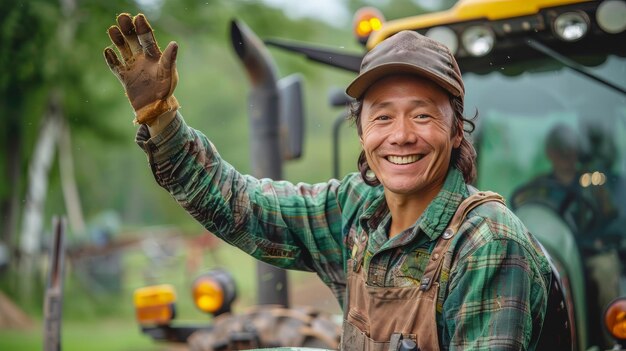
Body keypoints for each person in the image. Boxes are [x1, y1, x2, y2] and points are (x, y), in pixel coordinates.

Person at [104, 13, 552, 350]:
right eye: (382, 116)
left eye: (422, 114)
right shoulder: (357, 210)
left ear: (456, 132)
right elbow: (240, 204)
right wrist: (162, 121)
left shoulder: (486, 243)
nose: (401, 135)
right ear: (362, 132)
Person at [511, 123, 621, 349]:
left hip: (588, 249)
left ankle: (615, 339)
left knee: (605, 269)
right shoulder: (538, 186)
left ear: (576, 150)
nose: (565, 154)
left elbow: (611, 218)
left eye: (569, 148)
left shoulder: (593, 183)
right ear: (550, 153)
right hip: (550, 252)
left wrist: (600, 238)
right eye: (559, 149)